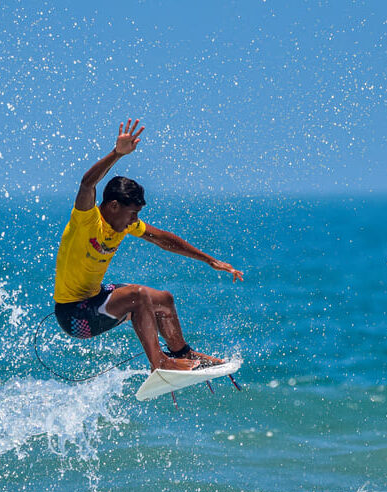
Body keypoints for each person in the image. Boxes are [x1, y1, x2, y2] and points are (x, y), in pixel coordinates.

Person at [53, 119, 244, 371]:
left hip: (95, 298)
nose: (135, 220)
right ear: (113, 206)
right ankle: (160, 363)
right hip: (75, 316)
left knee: (162, 299)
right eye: (132, 213)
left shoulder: (124, 224)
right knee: (138, 296)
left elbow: (164, 239)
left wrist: (210, 260)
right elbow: (87, 184)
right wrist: (116, 154)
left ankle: (183, 354)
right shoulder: (87, 222)